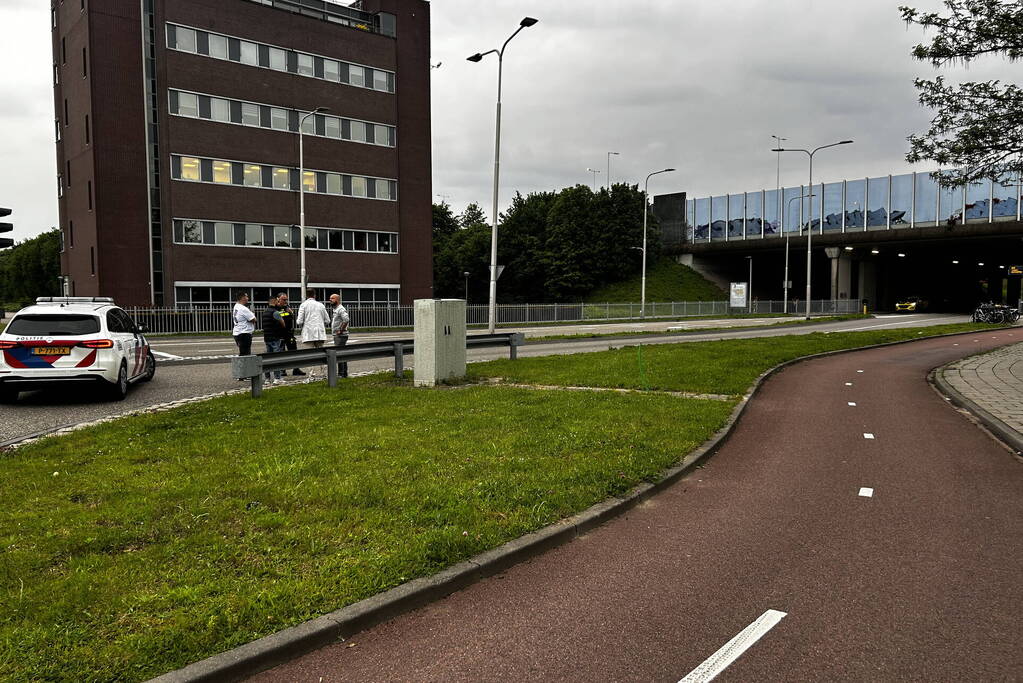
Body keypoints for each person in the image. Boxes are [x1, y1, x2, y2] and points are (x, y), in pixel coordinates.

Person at [276, 292, 304, 376]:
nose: (285, 301)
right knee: (281, 353)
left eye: (286, 299)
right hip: (280, 334)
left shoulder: (287, 307)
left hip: (289, 333)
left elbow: (291, 317)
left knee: (293, 351)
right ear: (278, 299)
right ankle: (282, 370)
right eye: (283, 299)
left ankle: (296, 369)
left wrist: (291, 313)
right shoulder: (275, 308)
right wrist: (287, 313)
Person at [261, 295, 286, 384]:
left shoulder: (265, 312)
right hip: (275, 337)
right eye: (277, 301)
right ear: (275, 301)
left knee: (268, 359)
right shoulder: (275, 312)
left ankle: (267, 379)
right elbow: (283, 324)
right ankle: (277, 378)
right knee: (276, 358)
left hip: (267, 338)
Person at [329, 293, 350, 378]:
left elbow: (346, 319)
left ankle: (341, 374)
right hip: (339, 335)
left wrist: (340, 330)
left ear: (337, 300)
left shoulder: (340, 309)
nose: (330, 300)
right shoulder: (336, 309)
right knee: (341, 354)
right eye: (330, 298)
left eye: (332, 298)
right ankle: (343, 373)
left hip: (341, 336)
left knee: (339, 354)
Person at [232, 291, 256, 358]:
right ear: (243, 298)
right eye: (246, 296)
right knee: (246, 354)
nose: (248, 298)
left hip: (237, 332)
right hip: (244, 333)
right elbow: (254, 319)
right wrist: (252, 312)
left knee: (243, 352)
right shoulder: (243, 308)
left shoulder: (236, 306)